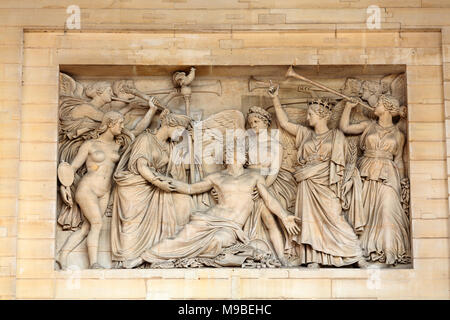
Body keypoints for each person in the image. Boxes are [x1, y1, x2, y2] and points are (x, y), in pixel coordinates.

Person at [132, 138, 300, 267]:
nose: (231, 155)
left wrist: (284, 216)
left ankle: (188, 257)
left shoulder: (254, 176)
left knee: (217, 241)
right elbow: (191, 189)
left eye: (235, 152)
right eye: (229, 152)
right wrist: (159, 180)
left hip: (230, 227)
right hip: (207, 220)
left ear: (243, 157)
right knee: (180, 238)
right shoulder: (217, 177)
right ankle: (142, 258)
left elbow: (269, 199)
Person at [268, 84, 368, 268]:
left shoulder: (337, 136)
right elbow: (284, 123)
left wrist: (347, 182)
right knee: (309, 221)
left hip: (328, 184)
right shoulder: (305, 133)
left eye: (310, 114)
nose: (307, 118)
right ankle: (314, 257)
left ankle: (355, 254)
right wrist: (275, 99)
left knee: (336, 219)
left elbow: (347, 163)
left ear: (321, 114)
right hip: (307, 183)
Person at [111, 109, 192, 268]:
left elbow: (177, 170)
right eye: (180, 130)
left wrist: (193, 145)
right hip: (135, 187)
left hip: (155, 187)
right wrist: (158, 182)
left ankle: (157, 254)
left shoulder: (169, 146)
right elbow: (141, 166)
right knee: (132, 224)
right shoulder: (146, 139)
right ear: (171, 124)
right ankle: (127, 259)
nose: (181, 134)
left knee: (183, 203)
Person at [339, 95, 411, 266]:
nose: (374, 106)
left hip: (388, 175)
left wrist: (402, 183)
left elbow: (399, 159)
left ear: (386, 108)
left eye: (378, 104)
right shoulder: (368, 125)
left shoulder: (399, 135)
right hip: (366, 171)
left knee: (388, 211)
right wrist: (348, 107)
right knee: (365, 212)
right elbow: (344, 127)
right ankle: (366, 252)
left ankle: (389, 252)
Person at [56, 111, 129, 269]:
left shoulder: (117, 145)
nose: (123, 127)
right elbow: (72, 168)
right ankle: (94, 263)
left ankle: (62, 254)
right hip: (87, 188)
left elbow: (137, 132)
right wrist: (64, 187)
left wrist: (151, 110)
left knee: (86, 228)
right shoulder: (90, 145)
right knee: (97, 223)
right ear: (110, 123)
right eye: (120, 123)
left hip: (105, 192)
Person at [244, 106, 297, 266]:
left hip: (266, 183)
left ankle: (281, 256)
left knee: (269, 220)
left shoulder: (275, 145)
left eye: (256, 121)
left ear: (266, 122)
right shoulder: (247, 143)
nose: (253, 125)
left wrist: (262, 190)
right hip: (248, 182)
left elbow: (274, 171)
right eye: (251, 123)